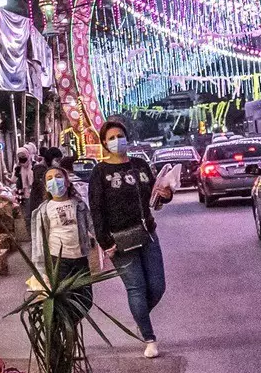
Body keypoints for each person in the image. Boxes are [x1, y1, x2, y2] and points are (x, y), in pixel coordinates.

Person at [90, 118, 174, 358]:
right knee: (136, 288)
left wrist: (166, 195)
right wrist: (106, 242)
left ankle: (140, 316)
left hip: (147, 233)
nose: (118, 141)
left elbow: (155, 200)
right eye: (112, 138)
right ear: (105, 144)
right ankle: (149, 338)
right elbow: (96, 209)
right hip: (119, 240)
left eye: (120, 136)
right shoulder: (100, 172)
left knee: (157, 286)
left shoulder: (140, 165)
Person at [27, 163, 97, 313]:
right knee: (64, 302)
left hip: (80, 258)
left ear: (67, 181)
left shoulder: (78, 204)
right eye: (50, 179)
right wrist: (41, 271)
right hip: (58, 262)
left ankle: (70, 326)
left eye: (58, 177)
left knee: (86, 300)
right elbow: (39, 242)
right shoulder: (44, 210)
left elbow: (92, 226)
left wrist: (106, 244)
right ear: (46, 187)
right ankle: (67, 333)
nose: (55, 181)